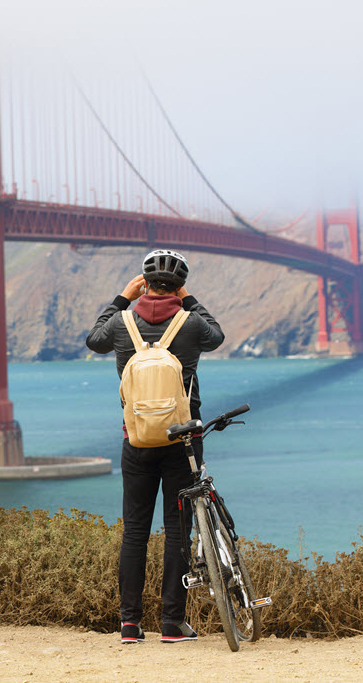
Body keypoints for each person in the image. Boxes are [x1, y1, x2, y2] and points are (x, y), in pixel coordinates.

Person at [85, 249, 225, 644]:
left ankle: (130, 624)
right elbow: (217, 335)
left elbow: (93, 340)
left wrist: (122, 298)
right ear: (178, 286)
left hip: (137, 439)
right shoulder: (192, 323)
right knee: (178, 531)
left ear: (145, 283)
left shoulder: (120, 323)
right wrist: (190, 298)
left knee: (135, 531)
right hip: (184, 441)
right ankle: (172, 623)